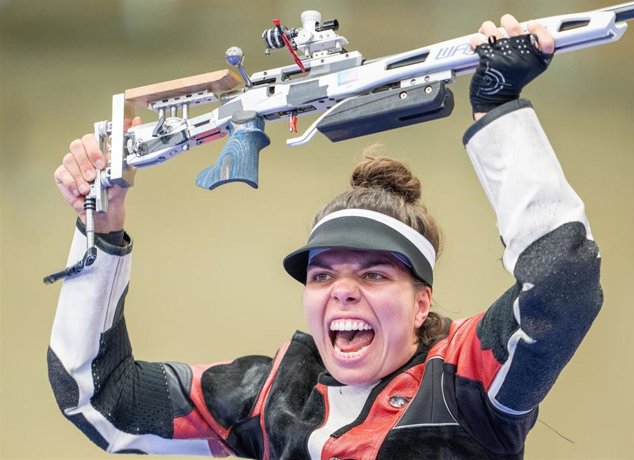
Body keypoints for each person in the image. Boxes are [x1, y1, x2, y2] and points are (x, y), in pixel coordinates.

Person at [48, 15, 602, 459]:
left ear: (421, 304)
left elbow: (563, 279)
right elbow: (100, 399)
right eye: (321, 274)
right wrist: (102, 224)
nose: (340, 289)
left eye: (374, 274)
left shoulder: (465, 382)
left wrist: (499, 111)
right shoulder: (269, 398)